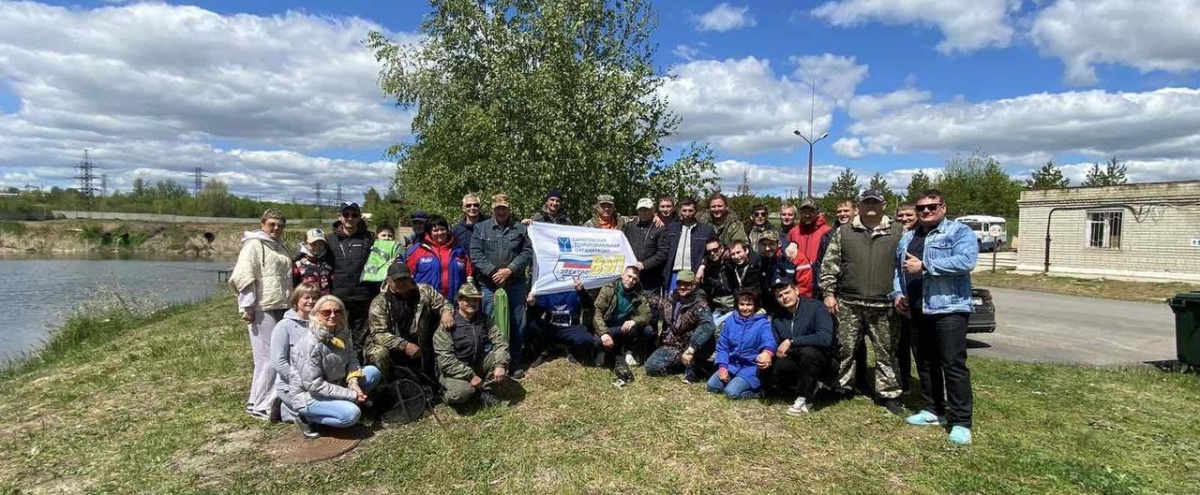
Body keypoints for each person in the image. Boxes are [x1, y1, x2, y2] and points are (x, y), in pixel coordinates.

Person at [892, 189, 979, 445]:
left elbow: (966, 261)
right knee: (926, 362)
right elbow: (899, 269)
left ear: (943, 207)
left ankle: (961, 420)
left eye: (932, 206)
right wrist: (898, 293)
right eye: (921, 208)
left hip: (948, 309)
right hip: (917, 308)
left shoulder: (958, 232)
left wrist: (926, 265)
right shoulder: (908, 237)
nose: (926, 211)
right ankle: (933, 409)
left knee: (952, 364)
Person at [819, 189, 906, 415]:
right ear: (859, 205)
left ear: (883, 205)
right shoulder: (844, 232)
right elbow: (830, 265)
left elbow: (905, 267)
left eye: (875, 203)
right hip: (849, 302)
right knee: (844, 349)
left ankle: (888, 393)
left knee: (886, 351)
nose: (871, 206)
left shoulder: (898, 231)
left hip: (884, 305)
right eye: (866, 202)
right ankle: (841, 387)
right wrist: (828, 293)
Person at [229, 209, 294, 421]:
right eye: (272, 224)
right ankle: (263, 405)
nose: (276, 228)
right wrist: (246, 306)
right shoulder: (254, 245)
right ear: (263, 223)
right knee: (269, 358)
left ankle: (255, 400)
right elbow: (245, 275)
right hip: (262, 307)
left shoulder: (278, 246)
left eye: (280, 225)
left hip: (280, 304)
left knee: (269, 357)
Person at [290, 295, 382, 438]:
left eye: (337, 311)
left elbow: (352, 360)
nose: (333, 315)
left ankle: (342, 404)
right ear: (317, 315)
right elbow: (314, 386)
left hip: (337, 383)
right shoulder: (309, 344)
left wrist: (353, 382)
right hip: (309, 395)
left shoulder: (342, 334)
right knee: (351, 415)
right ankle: (306, 418)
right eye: (327, 312)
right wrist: (351, 395)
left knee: (372, 372)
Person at [470, 193, 534, 379]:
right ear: (493, 209)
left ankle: (514, 362)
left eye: (504, 207)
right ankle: (494, 363)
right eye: (498, 208)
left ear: (509, 208)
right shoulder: (481, 229)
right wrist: (494, 273)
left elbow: (527, 252)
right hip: (489, 285)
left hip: (515, 283)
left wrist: (510, 270)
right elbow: (475, 254)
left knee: (517, 322)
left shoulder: (520, 229)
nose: (501, 211)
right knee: (492, 323)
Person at [364, 263, 455, 381]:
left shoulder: (424, 291)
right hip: (391, 344)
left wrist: (446, 313)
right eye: (398, 280)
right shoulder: (380, 302)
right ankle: (381, 388)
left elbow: (445, 304)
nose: (402, 283)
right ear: (388, 281)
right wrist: (404, 345)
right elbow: (378, 334)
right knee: (378, 354)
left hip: (420, 341)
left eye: (405, 279)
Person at [765, 277, 834, 415]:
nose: (784, 297)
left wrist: (792, 341)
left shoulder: (816, 307)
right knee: (774, 367)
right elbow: (774, 340)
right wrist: (767, 353)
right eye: (779, 295)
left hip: (820, 359)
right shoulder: (778, 315)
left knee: (808, 353)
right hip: (795, 358)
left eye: (787, 292)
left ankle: (805, 397)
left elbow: (825, 338)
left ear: (796, 290)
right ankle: (804, 387)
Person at [434, 283, 511, 407]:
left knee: (500, 358)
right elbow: (446, 361)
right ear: (459, 301)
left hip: (476, 364)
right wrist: (470, 376)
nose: (472, 303)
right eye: (467, 299)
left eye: (475, 300)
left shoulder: (483, 319)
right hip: (453, 371)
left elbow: (500, 342)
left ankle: (486, 392)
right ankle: (444, 393)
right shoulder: (448, 324)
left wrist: (501, 364)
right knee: (462, 392)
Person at [644, 270, 717, 383]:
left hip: (693, 348)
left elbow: (708, 325)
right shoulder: (671, 298)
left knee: (698, 365)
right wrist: (638, 290)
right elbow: (656, 301)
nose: (682, 287)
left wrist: (691, 349)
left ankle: (697, 366)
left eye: (687, 284)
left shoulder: (700, 304)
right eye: (680, 283)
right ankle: (685, 365)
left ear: (693, 285)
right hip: (674, 346)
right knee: (652, 367)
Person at [707, 288, 775, 400]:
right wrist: (723, 367)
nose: (745, 308)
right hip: (732, 365)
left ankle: (758, 393)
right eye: (742, 304)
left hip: (751, 367)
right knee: (712, 386)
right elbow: (723, 347)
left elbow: (769, 341)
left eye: (749, 304)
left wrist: (767, 352)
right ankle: (734, 383)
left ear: (755, 305)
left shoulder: (763, 323)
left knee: (731, 393)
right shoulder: (730, 321)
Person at [270, 283, 321, 423]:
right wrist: (300, 380)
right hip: (294, 385)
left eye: (315, 298)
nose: (311, 301)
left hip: (320, 382)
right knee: (329, 419)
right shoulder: (284, 326)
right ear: (296, 301)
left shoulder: (321, 324)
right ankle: (284, 409)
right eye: (307, 297)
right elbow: (278, 362)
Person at [327, 202, 376, 346]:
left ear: (359, 217)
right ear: (339, 217)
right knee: (338, 336)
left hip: (364, 296)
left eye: (354, 215)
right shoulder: (330, 239)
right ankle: (340, 366)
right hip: (339, 296)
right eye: (346, 214)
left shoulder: (370, 238)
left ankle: (358, 366)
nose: (350, 218)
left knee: (361, 338)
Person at [591, 266, 654, 373]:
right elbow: (597, 313)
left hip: (625, 326)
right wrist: (603, 333)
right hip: (608, 325)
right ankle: (602, 351)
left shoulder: (639, 293)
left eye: (635, 279)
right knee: (598, 340)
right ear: (622, 275)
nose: (631, 281)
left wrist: (634, 321)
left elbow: (647, 315)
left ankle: (629, 350)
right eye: (629, 276)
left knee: (648, 331)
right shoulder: (609, 289)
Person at [526, 279, 597, 366]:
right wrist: (532, 305)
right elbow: (536, 314)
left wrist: (582, 291)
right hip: (551, 327)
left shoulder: (575, 289)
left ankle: (571, 347)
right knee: (530, 323)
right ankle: (545, 348)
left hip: (571, 327)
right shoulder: (547, 290)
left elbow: (589, 306)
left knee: (586, 339)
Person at [404, 215, 472, 302]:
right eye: (435, 230)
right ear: (429, 232)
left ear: (448, 231)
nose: (440, 233)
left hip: (454, 302)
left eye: (443, 229)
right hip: (426, 303)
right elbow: (408, 276)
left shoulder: (459, 251)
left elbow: (469, 275)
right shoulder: (417, 251)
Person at [663, 199, 715, 292]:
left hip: (693, 273)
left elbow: (713, 252)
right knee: (672, 303)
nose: (687, 213)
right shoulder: (671, 228)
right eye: (684, 210)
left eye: (690, 210)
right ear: (680, 211)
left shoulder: (706, 230)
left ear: (696, 211)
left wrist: (703, 266)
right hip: (673, 274)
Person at [784, 198, 831, 299]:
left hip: (819, 284)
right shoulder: (794, 232)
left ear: (817, 213)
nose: (807, 214)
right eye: (804, 211)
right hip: (798, 284)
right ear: (800, 213)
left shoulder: (827, 232)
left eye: (811, 211)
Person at [894, 202, 918, 391]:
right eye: (900, 215)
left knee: (922, 349)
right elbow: (896, 269)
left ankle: (931, 390)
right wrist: (898, 293)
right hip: (901, 301)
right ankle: (904, 382)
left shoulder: (923, 235)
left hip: (922, 301)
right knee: (900, 346)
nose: (904, 219)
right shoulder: (900, 236)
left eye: (908, 215)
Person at [622, 197, 669, 295]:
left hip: (650, 279)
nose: (643, 212)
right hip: (631, 277)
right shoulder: (630, 227)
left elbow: (663, 253)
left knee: (650, 308)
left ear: (652, 210)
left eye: (646, 210)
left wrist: (644, 265)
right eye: (641, 210)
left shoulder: (660, 228)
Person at [700, 237, 735, 328]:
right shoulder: (706, 270)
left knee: (714, 325)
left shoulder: (732, 263)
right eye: (709, 252)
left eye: (715, 250)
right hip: (717, 307)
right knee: (706, 326)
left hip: (734, 306)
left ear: (722, 248)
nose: (712, 253)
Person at [293, 228, 333, 295]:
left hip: (324, 300)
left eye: (321, 244)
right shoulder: (298, 262)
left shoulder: (329, 260)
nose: (317, 247)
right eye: (313, 244)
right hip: (307, 301)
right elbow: (293, 284)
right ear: (306, 243)